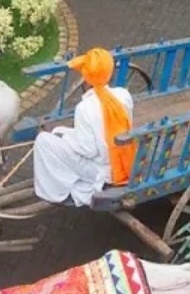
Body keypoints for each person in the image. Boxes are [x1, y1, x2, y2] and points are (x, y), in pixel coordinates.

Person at [32, 47, 138, 206]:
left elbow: (87, 150)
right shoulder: (124, 95)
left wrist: (65, 135)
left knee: (43, 140)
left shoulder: (85, 108)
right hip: (124, 161)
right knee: (59, 136)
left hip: (102, 171)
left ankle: (54, 191)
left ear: (86, 77)